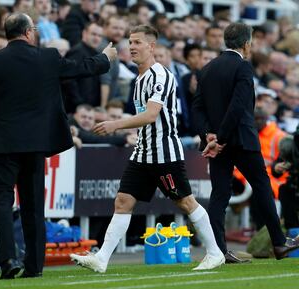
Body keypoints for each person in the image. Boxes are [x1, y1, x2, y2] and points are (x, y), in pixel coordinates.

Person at [0, 13, 115, 280]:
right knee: (33, 206)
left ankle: (8, 259)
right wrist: (105, 58)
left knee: (1, 202)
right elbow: (81, 67)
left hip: (3, 144)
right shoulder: (47, 57)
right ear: (30, 32)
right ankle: (34, 265)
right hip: (35, 145)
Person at [70, 25, 225, 272]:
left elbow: (151, 115)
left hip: (164, 153)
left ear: (151, 47)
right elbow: (144, 115)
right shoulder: (139, 78)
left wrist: (116, 124)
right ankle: (101, 259)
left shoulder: (160, 75)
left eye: (137, 42)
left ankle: (215, 253)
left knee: (185, 202)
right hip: (143, 152)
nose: (131, 47)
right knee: (122, 201)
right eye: (130, 42)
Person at [191, 22, 299, 263]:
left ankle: (218, 250)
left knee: (220, 194)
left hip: (217, 144)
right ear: (246, 43)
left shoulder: (207, 68)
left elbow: (196, 108)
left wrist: (208, 135)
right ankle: (279, 243)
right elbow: (238, 107)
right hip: (240, 140)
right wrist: (221, 138)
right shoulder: (242, 67)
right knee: (261, 186)